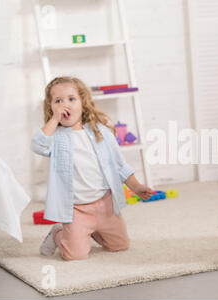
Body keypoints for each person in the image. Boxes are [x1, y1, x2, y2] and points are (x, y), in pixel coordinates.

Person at [31, 76, 153, 261]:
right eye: (58, 101)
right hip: (76, 209)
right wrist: (54, 119)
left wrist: (136, 187)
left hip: (105, 205)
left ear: (83, 103)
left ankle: (92, 232)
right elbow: (38, 145)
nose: (66, 105)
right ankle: (59, 232)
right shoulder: (56, 136)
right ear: (51, 107)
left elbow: (120, 165)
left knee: (120, 245)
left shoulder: (100, 131)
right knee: (75, 255)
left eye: (71, 99)